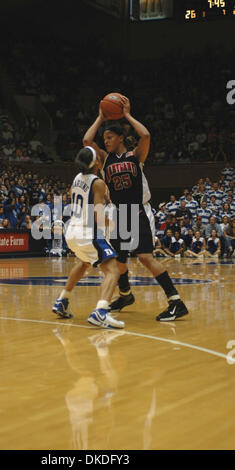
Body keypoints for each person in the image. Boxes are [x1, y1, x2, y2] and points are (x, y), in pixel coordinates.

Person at [82, 96, 188, 322]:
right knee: (118, 262)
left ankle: (176, 302)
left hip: (138, 211)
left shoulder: (135, 156)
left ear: (121, 137)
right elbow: (86, 140)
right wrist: (101, 117)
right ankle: (126, 295)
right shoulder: (103, 158)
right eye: (105, 138)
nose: (106, 140)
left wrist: (127, 115)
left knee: (145, 257)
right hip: (119, 214)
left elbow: (146, 135)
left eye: (110, 137)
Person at [52, 146, 124, 329]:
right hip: (87, 232)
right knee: (113, 270)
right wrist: (112, 224)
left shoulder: (77, 178)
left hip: (72, 231)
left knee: (84, 263)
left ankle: (62, 300)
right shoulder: (97, 182)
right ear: (97, 163)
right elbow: (98, 216)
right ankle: (100, 312)